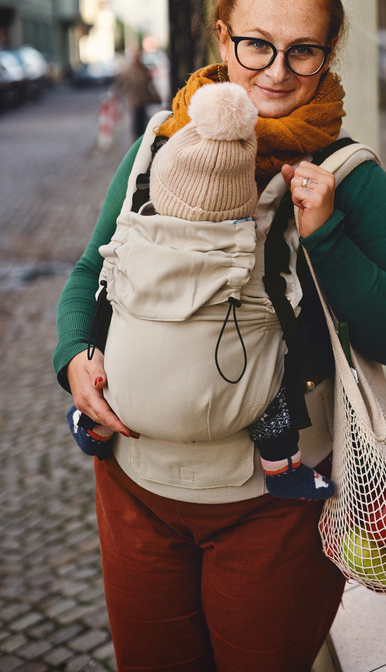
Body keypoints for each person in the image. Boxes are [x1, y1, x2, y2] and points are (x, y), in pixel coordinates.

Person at [54, 0, 386, 672]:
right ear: (224, 37)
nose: (277, 72)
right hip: (135, 486)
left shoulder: (351, 176)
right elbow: (88, 272)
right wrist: (72, 357)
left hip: (274, 506)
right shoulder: (159, 142)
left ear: (328, 55)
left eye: (304, 51)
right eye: (257, 44)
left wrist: (326, 238)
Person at [65, 81, 334, 501]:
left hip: (126, 399)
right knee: (272, 388)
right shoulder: (251, 244)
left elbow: (96, 277)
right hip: (235, 411)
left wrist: (75, 352)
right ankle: (284, 471)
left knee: (111, 355)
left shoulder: (137, 231)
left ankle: (91, 426)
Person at [115, 48, 161, 139]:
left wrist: (157, 97)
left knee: (144, 122)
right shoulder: (127, 72)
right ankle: (136, 140)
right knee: (136, 123)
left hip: (144, 100)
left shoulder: (144, 70)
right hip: (133, 102)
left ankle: (142, 139)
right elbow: (119, 85)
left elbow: (151, 85)